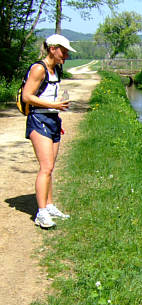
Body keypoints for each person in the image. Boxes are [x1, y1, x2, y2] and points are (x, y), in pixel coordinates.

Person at [22, 34, 76, 228]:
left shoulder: (56, 69)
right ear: (52, 49)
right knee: (45, 167)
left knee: (50, 167)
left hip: (53, 119)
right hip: (39, 120)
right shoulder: (39, 69)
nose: (66, 55)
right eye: (64, 51)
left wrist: (56, 107)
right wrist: (52, 104)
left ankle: (50, 205)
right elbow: (27, 96)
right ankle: (41, 213)